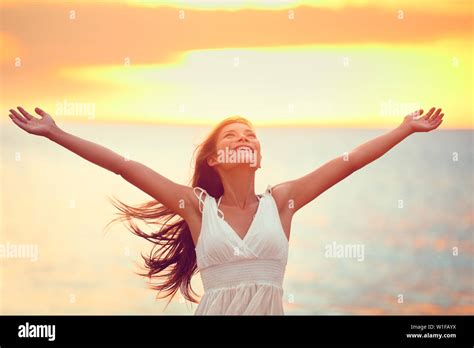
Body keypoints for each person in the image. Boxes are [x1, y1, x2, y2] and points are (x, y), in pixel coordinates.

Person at [8, 106, 444, 315]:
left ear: (259, 156)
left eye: (251, 135)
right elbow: (124, 166)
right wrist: (55, 134)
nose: (243, 139)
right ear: (214, 159)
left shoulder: (282, 201)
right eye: (232, 135)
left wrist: (406, 128)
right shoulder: (198, 209)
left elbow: (350, 161)